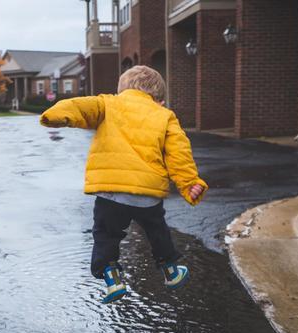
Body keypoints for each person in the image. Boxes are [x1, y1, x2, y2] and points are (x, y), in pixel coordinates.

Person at [40, 65, 207, 304]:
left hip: (111, 192)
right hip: (147, 193)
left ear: (122, 89)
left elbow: (80, 106)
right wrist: (189, 183)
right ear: (158, 98)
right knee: (157, 230)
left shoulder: (109, 103)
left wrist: (55, 115)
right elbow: (178, 153)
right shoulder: (164, 115)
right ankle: (170, 270)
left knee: (106, 234)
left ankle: (112, 278)